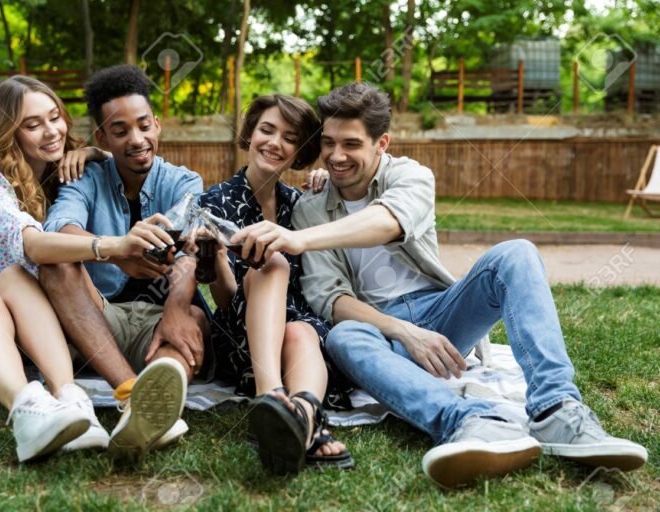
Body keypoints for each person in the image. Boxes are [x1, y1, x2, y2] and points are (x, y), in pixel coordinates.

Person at [230, 83, 648, 488]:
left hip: (442, 312)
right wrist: (403, 331)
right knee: (342, 337)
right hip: (379, 329)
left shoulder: (412, 176)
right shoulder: (310, 208)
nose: (337, 156)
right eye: (330, 143)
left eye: (352, 144)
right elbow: (329, 298)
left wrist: (301, 240)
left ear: (382, 143)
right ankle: (470, 422)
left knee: (516, 253)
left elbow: (387, 223)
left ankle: (558, 409)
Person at [0, 76, 186, 462]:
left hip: (28, 323)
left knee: (14, 280)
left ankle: (70, 400)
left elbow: (100, 164)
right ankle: (27, 414)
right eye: (33, 125)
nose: (51, 132)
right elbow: (33, 245)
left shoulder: (55, 177)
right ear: (8, 133)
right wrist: (112, 246)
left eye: (55, 118)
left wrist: (97, 153)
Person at [41, 64, 208, 458]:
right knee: (56, 264)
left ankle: (156, 401)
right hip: (97, 319)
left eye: (144, 125)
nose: (137, 139)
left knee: (194, 321)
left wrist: (176, 307)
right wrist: (118, 249)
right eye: (120, 131)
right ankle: (134, 393)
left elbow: (189, 252)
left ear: (158, 125)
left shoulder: (184, 182)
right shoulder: (85, 177)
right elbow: (58, 232)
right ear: (102, 136)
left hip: (160, 323)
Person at [199, 94, 354, 475]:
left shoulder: (300, 202)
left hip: (296, 328)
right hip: (244, 333)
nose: (274, 142)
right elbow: (224, 298)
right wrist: (216, 257)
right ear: (250, 134)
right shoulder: (214, 202)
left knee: (301, 332)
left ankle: (299, 418)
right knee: (273, 260)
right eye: (266, 130)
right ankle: (269, 394)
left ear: (299, 151)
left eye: (289, 137)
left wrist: (325, 180)